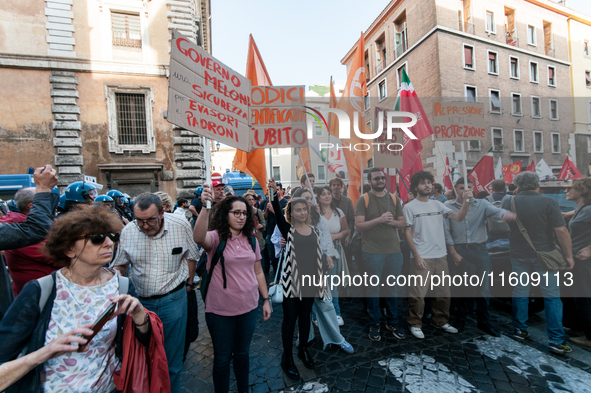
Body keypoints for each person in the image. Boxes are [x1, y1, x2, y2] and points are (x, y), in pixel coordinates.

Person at [0, 205, 153, 392]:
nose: (109, 243)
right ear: (69, 249)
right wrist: (45, 352)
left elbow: (143, 341)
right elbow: (4, 355)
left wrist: (139, 315)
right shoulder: (41, 290)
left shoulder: (121, 285)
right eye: (97, 238)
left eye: (112, 236)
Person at [113, 193, 199, 392]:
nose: (144, 226)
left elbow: (192, 255)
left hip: (174, 300)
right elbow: (120, 265)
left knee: (171, 362)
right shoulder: (128, 232)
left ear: (162, 212)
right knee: (141, 360)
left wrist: (188, 284)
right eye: (139, 221)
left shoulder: (180, 225)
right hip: (140, 305)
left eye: (150, 220)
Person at [193, 186, 271, 393]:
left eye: (244, 213)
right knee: (222, 358)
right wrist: (204, 208)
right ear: (225, 213)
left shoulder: (251, 239)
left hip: (248, 307)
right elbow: (199, 238)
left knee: (243, 354)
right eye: (236, 212)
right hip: (220, 310)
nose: (241, 217)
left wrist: (266, 299)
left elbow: (259, 272)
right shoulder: (216, 237)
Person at [502, 172, 574, 354]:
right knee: (551, 296)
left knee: (520, 291)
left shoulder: (508, 201)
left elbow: (503, 223)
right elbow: (561, 232)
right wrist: (568, 256)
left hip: (518, 253)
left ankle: (519, 330)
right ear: (537, 185)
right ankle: (556, 340)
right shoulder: (549, 202)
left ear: (517, 185)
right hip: (545, 254)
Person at [268, 179, 332, 380]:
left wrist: (322, 280)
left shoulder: (313, 230)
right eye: (298, 210)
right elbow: (277, 214)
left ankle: (302, 349)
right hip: (292, 282)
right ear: (291, 213)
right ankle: (287, 357)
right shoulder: (288, 230)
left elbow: (318, 256)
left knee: (305, 319)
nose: (302, 212)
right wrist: (273, 193)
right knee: (290, 320)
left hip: (311, 281)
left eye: (304, 209)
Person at [403, 171, 472, 339]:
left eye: (429, 182)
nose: (427, 185)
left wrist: (467, 202)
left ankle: (440, 320)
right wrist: (417, 256)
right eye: (423, 182)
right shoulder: (409, 207)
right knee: (418, 295)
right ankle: (415, 323)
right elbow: (407, 234)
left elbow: (459, 217)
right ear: (415, 187)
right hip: (422, 257)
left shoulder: (438, 205)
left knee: (443, 293)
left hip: (440, 256)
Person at [444, 178, 515, 336]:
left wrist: (507, 214)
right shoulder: (448, 207)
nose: (465, 190)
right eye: (461, 187)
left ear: (473, 188)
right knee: (461, 287)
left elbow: (497, 211)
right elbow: (447, 232)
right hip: (460, 249)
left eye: (468, 187)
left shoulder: (482, 204)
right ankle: (460, 319)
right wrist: (453, 252)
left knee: (483, 288)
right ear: (455, 188)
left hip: (480, 249)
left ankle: (484, 321)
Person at [354, 168, 407, 341]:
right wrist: (379, 220)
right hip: (372, 252)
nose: (381, 181)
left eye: (382, 178)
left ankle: (392, 322)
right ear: (370, 181)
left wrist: (392, 223)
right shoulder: (364, 199)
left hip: (394, 251)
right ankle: (375, 323)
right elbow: (358, 226)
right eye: (376, 178)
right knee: (374, 290)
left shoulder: (394, 198)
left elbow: (402, 223)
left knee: (392, 289)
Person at [0, 188, 61, 296]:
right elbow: (59, 258)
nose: (58, 203)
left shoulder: (19, 226)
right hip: (38, 299)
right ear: (31, 206)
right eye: (48, 200)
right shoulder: (21, 229)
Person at [563, 178, 591, 347]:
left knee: (584, 296)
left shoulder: (588, 210)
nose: (566, 190)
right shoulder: (581, 209)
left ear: (582, 191)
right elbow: (569, 215)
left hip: (584, 261)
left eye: (570, 188)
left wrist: (589, 249)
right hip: (576, 259)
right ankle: (579, 327)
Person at [317, 186, 349, 325]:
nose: (327, 196)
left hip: (335, 249)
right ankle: (318, 314)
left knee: (332, 284)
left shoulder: (338, 212)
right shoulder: (314, 213)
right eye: (323, 194)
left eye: (328, 193)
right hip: (318, 251)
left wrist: (334, 236)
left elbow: (346, 230)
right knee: (318, 284)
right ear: (318, 197)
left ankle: (336, 312)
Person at [260, 182, 288, 274]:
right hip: (270, 233)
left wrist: (274, 210)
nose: (273, 191)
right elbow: (264, 217)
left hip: (280, 233)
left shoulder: (285, 203)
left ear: (281, 190)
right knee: (272, 257)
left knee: (280, 257)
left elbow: (283, 219)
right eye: (270, 190)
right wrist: (267, 210)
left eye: (277, 189)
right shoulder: (267, 202)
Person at [244, 193, 266, 272]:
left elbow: (264, 223)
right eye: (249, 199)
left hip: (258, 239)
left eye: (252, 199)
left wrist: (261, 226)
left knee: (260, 261)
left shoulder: (258, 211)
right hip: (247, 240)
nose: (251, 201)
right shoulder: (243, 212)